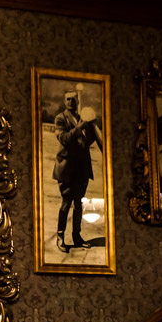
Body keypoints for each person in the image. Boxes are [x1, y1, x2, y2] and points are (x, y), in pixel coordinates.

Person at [53, 89, 103, 253]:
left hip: (81, 168)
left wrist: (92, 126)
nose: (70, 102)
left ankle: (76, 237)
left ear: (77, 101)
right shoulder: (61, 118)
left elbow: (87, 141)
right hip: (67, 169)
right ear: (64, 100)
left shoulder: (84, 117)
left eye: (73, 100)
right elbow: (64, 139)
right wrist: (80, 127)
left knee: (79, 204)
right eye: (67, 99)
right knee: (66, 203)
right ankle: (60, 237)